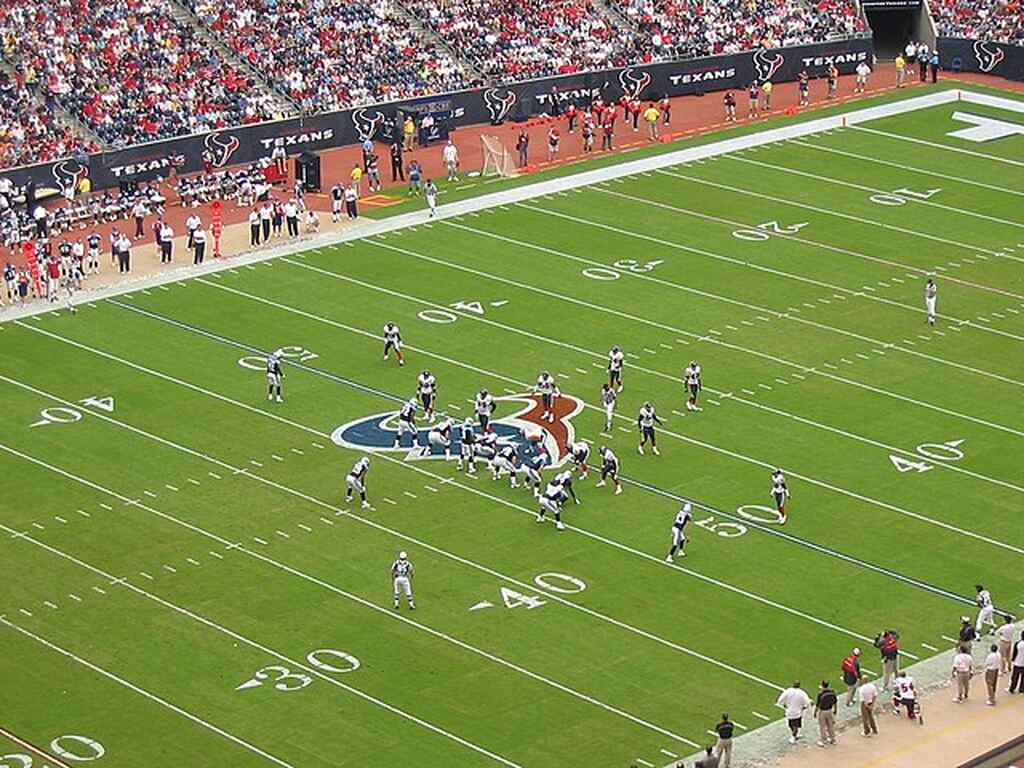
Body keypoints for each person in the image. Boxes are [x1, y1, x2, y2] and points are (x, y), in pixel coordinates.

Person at [814, 680, 838, 747]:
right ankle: (833, 739)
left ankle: (824, 740)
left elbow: (817, 705)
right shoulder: (832, 692)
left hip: (822, 711)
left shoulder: (820, 694)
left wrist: (815, 712)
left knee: (822, 727)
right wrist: (835, 710)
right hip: (830, 710)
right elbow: (835, 702)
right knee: (830, 725)